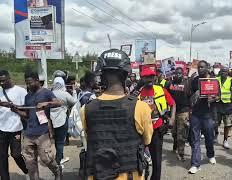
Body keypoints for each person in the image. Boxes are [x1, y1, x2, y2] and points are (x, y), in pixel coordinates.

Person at [82, 49, 153, 180]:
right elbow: (147, 140)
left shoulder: (86, 109)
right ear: (126, 75)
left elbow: (90, 138)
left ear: (101, 76)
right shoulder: (140, 107)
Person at [12, 71, 62, 180]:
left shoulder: (46, 92)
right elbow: (27, 115)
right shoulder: (27, 96)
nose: (28, 85)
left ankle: (57, 170)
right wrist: (16, 110)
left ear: (37, 81)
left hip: (42, 133)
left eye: (30, 83)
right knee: (30, 163)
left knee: (46, 159)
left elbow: (59, 103)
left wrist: (46, 104)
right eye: (26, 83)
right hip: (28, 134)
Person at [139, 67, 176, 180]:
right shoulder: (138, 93)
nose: (149, 79)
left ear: (155, 77)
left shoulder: (161, 90)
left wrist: (172, 118)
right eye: (146, 77)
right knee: (139, 158)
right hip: (142, 130)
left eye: (151, 76)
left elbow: (173, 104)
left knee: (156, 160)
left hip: (157, 129)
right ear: (142, 78)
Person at [188, 60, 218, 174]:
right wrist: (194, 96)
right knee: (195, 140)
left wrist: (213, 98)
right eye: (198, 67)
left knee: (209, 137)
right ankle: (195, 164)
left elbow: (218, 95)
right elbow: (190, 96)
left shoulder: (214, 80)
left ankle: (210, 154)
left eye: (202, 67)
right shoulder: (195, 80)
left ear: (207, 67)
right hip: (196, 114)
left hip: (208, 114)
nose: (200, 69)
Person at [0, 70, 28, 180]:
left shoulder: (20, 91)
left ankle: (26, 170)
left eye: (3, 80)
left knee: (16, 154)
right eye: (0, 81)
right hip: (1, 129)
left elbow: (25, 109)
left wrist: (11, 105)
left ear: (9, 78)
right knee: (2, 157)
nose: (1, 83)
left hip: (15, 129)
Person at [50, 77, 76, 166]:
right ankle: (58, 160)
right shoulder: (64, 94)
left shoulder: (50, 93)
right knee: (61, 141)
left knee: (56, 141)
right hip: (62, 119)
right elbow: (74, 102)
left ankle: (60, 156)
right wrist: (74, 92)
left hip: (51, 121)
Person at [167, 67, 191, 161]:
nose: (178, 75)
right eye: (176, 73)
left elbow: (190, 96)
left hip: (183, 111)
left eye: (180, 73)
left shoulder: (187, 84)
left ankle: (181, 153)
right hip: (172, 111)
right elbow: (165, 94)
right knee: (174, 132)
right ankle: (175, 144)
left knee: (181, 133)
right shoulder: (169, 84)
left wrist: (190, 110)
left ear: (183, 74)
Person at [216, 66, 232, 149]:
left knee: (227, 124)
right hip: (217, 104)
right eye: (222, 71)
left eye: (225, 72)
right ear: (220, 72)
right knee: (215, 123)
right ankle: (215, 135)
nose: (224, 73)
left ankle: (225, 140)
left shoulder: (231, 80)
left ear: (228, 73)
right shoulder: (216, 79)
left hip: (227, 105)